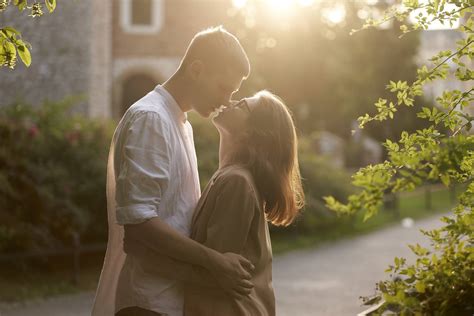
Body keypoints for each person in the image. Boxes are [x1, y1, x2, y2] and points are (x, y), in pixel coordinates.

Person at [92, 26, 254, 316]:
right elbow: (138, 222)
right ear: (197, 69)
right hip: (148, 302)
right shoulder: (151, 119)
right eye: (223, 88)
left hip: (169, 299)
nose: (227, 100)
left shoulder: (181, 123)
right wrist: (216, 261)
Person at [125, 90, 305, 315]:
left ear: (253, 132)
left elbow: (218, 273)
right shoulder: (230, 176)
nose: (230, 101)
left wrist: (149, 260)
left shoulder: (237, 182)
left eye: (241, 105)